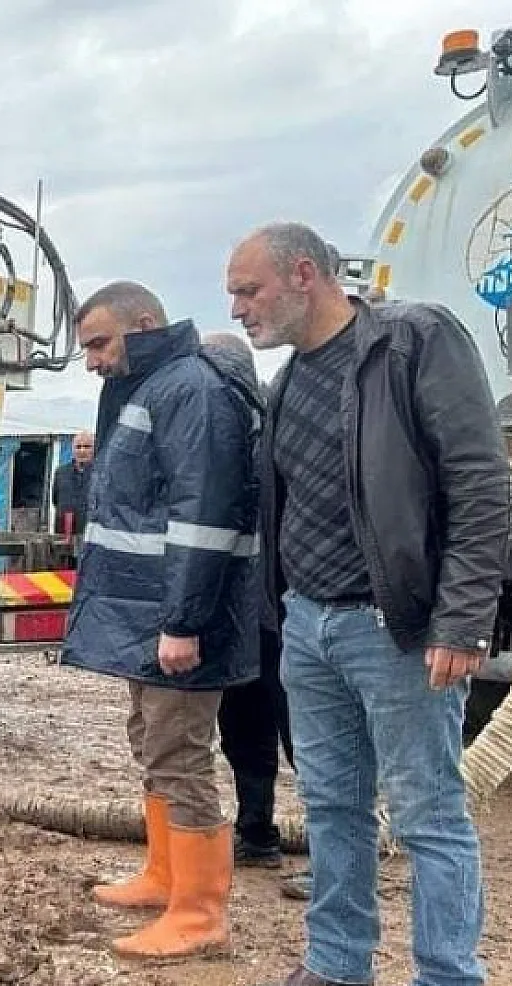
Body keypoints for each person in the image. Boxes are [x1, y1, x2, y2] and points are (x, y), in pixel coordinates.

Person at [227, 222, 509, 986]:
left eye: (248, 290)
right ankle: (339, 963)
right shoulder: (288, 379)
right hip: (309, 624)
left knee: (428, 814)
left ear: (303, 274)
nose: (238, 309)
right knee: (332, 806)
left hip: (396, 629)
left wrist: (461, 620)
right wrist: (280, 611)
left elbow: (478, 479)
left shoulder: (412, 342)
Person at [63, 283, 261, 960]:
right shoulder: (149, 388)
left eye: (99, 343)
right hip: (147, 615)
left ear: (144, 325)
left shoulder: (191, 391)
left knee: (179, 755)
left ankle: (199, 915)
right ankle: (165, 876)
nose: (91, 361)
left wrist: (183, 622)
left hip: (179, 621)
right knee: (151, 741)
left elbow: (204, 515)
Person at [199, 331, 294, 870]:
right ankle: (256, 831)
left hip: (276, 611)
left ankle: (336, 858)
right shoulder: (230, 429)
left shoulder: (266, 432)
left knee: (301, 733)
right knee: (246, 727)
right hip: (251, 613)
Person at [51, 431, 95, 536]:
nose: (82, 450)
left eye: (87, 447)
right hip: (64, 533)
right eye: (78, 447)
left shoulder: (101, 474)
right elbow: (55, 500)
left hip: (91, 533)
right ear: (73, 449)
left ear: (94, 449)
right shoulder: (61, 472)